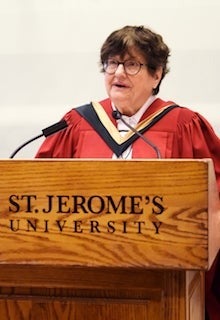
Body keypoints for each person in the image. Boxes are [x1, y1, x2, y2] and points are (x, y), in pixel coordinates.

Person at [35, 25, 220, 319]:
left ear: (156, 74)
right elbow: (39, 195)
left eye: (131, 64)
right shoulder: (76, 123)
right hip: (82, 278)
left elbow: (213, 202)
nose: (118, 73)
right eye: (112, 63)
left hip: (162, 281)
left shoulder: (184, 125)